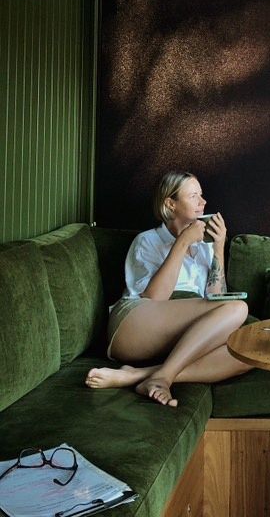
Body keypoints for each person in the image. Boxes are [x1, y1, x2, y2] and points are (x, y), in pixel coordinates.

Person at [85, 171, 251, 407]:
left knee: (250, 352)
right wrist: (182, 242)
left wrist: (218, 248)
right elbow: (155, 298)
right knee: (237, 309)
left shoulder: (204, 248)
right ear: (170, 204)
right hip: (133, 326)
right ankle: (162, 377)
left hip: (179, 336)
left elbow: (216, 297)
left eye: (201, 196)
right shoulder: (147, 241)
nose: (203, 203)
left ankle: (143, 375)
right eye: (194, 196)